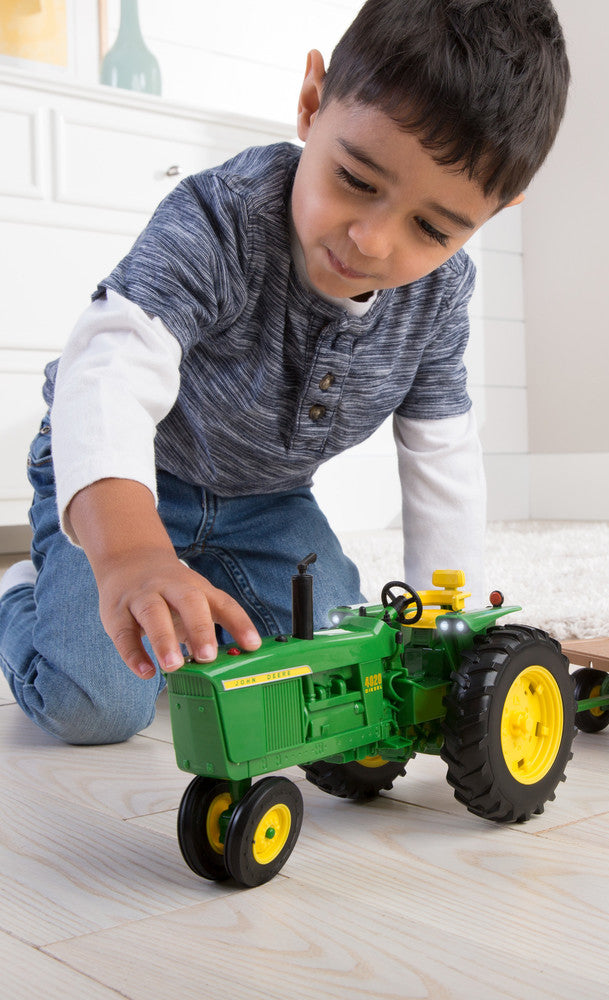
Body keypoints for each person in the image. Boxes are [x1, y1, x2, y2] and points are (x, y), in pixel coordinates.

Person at [0, 0, 570, 745]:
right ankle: (22, 595)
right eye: (356, 180)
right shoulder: (223, 219)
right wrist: (131, 553)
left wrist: (442, 619)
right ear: (311, 102)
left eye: (431, 229)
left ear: (495, 212)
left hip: (269, 504)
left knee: (343, 662)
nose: (369, 240)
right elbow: (103, 373)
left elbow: (442, 453)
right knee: (96, 704)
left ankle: (183, 591)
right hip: (132, 478)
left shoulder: (441, 297)